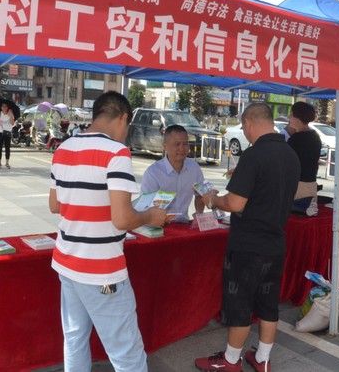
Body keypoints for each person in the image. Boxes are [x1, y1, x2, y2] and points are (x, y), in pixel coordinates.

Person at [49, 91, 166, 372]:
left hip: (66, 262)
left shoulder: (63, 148)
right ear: (123, 118)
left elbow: (55, 205)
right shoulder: (116, 152)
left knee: (75, 339)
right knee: (127, 353)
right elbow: (122, 219)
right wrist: (151, 215)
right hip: (102, 270)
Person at [194, 103, 299, 372]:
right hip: (276, 243)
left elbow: (235, 203)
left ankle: (231, 361)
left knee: (240, 303)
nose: (244, 132)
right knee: (268, 304)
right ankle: (262, 358)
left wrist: (213, 199)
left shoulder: (254, 155)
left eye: (243, 127)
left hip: (248, 246)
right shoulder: (290, 154)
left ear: (249, 122)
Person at [140, 125, 205, 221]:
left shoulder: (194, 167)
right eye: (177, 144)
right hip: (159, 226)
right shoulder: (153, 173)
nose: (182, 148)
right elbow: (144, 207)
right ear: (165, 146)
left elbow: (201, 194)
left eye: (185, 144)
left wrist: (199, 212)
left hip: (184, 223)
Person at [286, 102, 322, 216]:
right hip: (311, 183)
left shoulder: (297, 139)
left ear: (298, 117)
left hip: (298, 186)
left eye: (291, 114)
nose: (289, 118)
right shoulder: (314, 135)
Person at [0, 102, 14, 169]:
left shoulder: (10, 113)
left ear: (7, 107)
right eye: (3, 106)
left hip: (7, 132)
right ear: (1, 107)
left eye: (5, 106)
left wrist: (11, 115)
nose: (4, 108)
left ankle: (7, 163)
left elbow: (12, 123)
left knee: (7, 148)